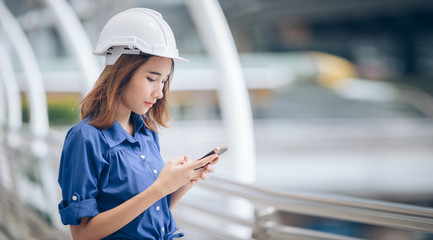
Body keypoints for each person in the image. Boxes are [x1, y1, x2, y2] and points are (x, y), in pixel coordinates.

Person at [57, 8, 218, 240]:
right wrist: (160, 187)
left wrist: (182, 182)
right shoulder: (85, 138)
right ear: (122, 71)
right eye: (151, 79)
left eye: (163, 81)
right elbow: (83, 234)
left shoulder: (146, 133)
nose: (159, 92)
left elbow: (146, 214)